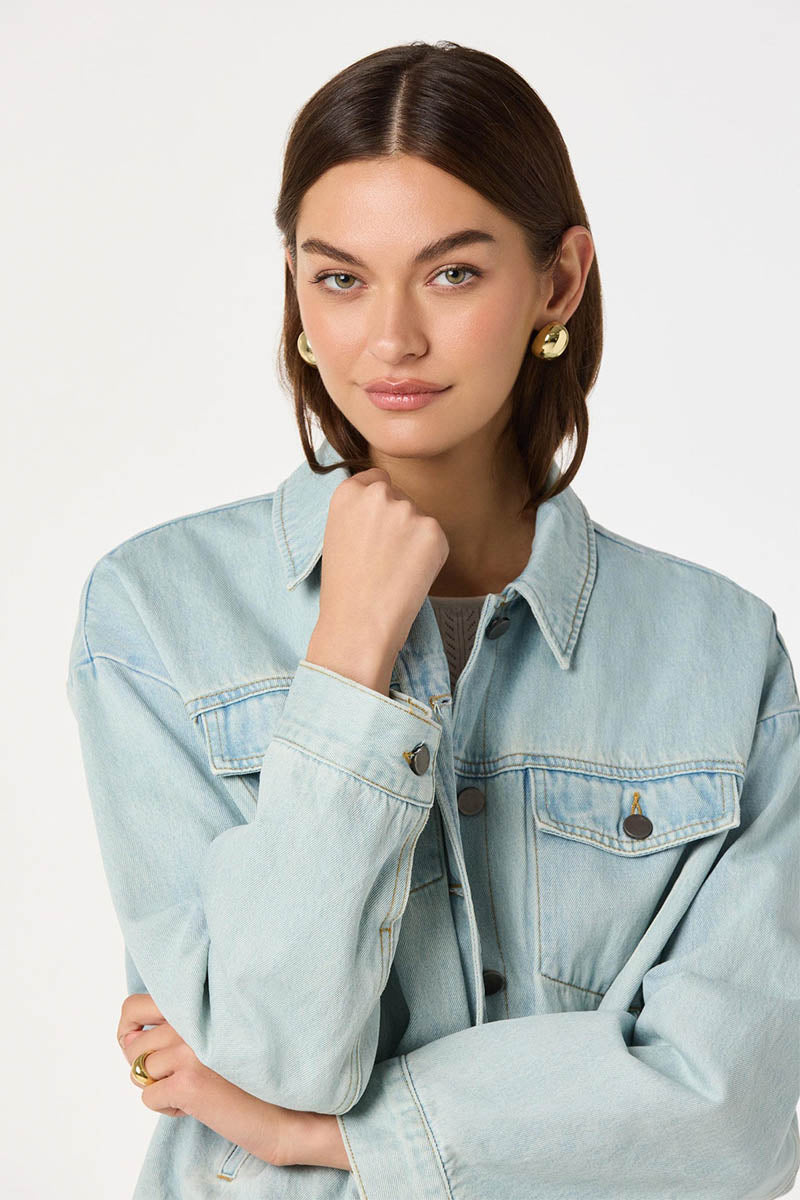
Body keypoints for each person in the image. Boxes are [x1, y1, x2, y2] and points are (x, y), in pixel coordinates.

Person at [66, 39, 800, 1200]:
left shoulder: (718, 655)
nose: (391, 338)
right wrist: (345, 663)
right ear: (295, 291)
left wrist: (327, 1139)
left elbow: (732, 1118)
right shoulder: (157, 614)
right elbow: (278, 1056)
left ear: (557, 282)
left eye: (451, 273)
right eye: (339, 278)